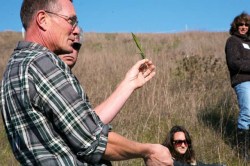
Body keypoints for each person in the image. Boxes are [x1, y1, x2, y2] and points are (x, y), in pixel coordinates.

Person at [0, 0, 173, 165]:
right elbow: (92, 140)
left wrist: (129, 83)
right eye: (71, 21)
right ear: (43, 20)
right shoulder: (42, 63)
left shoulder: (14, 68)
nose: (76, 31)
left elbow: (79, 126)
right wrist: (148, 150)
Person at [225, 12, 250, 162]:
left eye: (246, 25)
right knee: (247, 112)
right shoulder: (232, 41)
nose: (243, 27)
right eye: (240, 24)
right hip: (243, 81)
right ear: (236, 26)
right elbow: (234, 63)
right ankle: (243, 151)